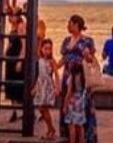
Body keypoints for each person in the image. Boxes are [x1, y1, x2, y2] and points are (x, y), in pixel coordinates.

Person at [59, 15, 98, 143]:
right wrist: (54, 67)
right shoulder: (66, 40)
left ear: (76, 25)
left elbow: (91, 60)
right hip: (67, 76)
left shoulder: (87, 41)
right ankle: (68, 137)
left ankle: (85, 138)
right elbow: (64, 58)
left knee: (83, 107)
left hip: (80, 78)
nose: (68, 26)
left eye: (70, 23)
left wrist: (87, 56)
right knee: (67, 105)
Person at [33, 37, 59, 141]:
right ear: (41, 49)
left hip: (47, 86)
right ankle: (50, 129)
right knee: (41, 108)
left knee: (44, 108)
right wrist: (35, 87)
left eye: (49, 49)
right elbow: (38, 76)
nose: (47, 51)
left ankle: (51, 130)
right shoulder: (39, 60)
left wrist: (57, 86)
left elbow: (56, 74)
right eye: (45, 48)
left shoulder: (51, 61)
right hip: (41, 86)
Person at [4, 12, 26, 124]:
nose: (10, 17)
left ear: (17, 17)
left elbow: (24, 45)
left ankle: (22, 111)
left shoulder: (21, 26)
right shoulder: (12, 27)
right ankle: (14, 111)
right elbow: (10, 42)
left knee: (18, 84)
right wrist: (4, 55)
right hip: (10, 59)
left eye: (12, 16)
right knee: (10, 84)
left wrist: (20, 61)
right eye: (9, 16)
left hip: (16, 57)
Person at [63, 61, 88, 143]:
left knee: (72, 125)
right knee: (80, 125)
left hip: (72, 103)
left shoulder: (71, 78)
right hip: (81, 101)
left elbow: (69, 93)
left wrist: (65, 105)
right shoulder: (82, 78)